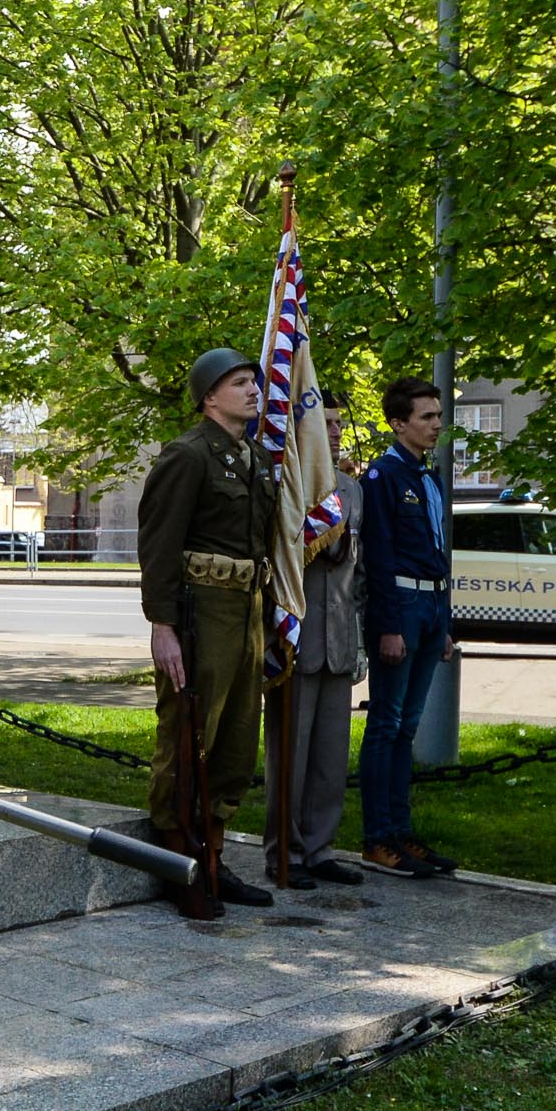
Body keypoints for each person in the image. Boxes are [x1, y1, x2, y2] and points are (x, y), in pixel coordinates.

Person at [136, 347, 278, 916]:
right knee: (189, 736)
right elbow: (159, 544)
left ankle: (214, 856)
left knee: (236, 743)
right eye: (239, 382)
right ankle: (180, 864)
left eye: (253, 382)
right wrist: (162, 626)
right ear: (208, 396)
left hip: (245, 612)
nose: (252, 390)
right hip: (201, 614)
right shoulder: (188, 455)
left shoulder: (253, 459)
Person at [358, 377, 460, 878]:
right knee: (385, 724)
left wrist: (444, 623)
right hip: (400, 607)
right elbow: (377, 555)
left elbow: (440, 554)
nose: (437, 424)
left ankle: (401, 831)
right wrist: (389, 625)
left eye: (438, 415)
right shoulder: (383, 476)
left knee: (409, 728)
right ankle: (377, 837)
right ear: (399, 423)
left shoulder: (429, 478)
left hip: (431, 608)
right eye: (426, 416)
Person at [263, 413, 368, 890]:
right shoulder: (285, 483)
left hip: (338, 640)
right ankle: (284, 849)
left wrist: (359, 639)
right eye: (323, 420)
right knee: (291, 752)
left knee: (329, 756)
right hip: (296, 639)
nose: (334, 430)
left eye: (339, 422)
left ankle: (321, 848)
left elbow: (356, 572)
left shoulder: (350, 488)